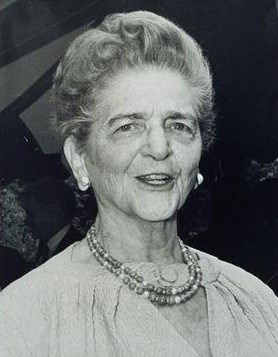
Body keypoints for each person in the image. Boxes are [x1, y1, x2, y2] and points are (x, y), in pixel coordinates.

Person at [0, 11, 277, 357]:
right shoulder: (25, 318)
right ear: (79, 158)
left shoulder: (255, 302)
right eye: (128, 126)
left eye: (179, 125)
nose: (160, 147)